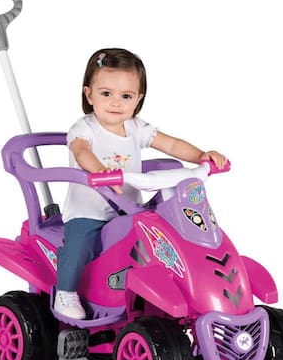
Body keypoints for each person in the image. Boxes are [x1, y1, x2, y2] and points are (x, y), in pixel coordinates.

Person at [54, 48, 227, 319]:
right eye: (106, 93)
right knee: (78, 247)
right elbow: (81, 151)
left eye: (126, 96)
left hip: (128, 210)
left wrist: (201, 156)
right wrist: (100, 171)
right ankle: (66, 292)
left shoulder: (136, 127)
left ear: (138, 99)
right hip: (88, 212)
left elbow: (171, 144)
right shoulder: (85, 128)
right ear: (89, 94)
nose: (115, 103)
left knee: (158, 240)